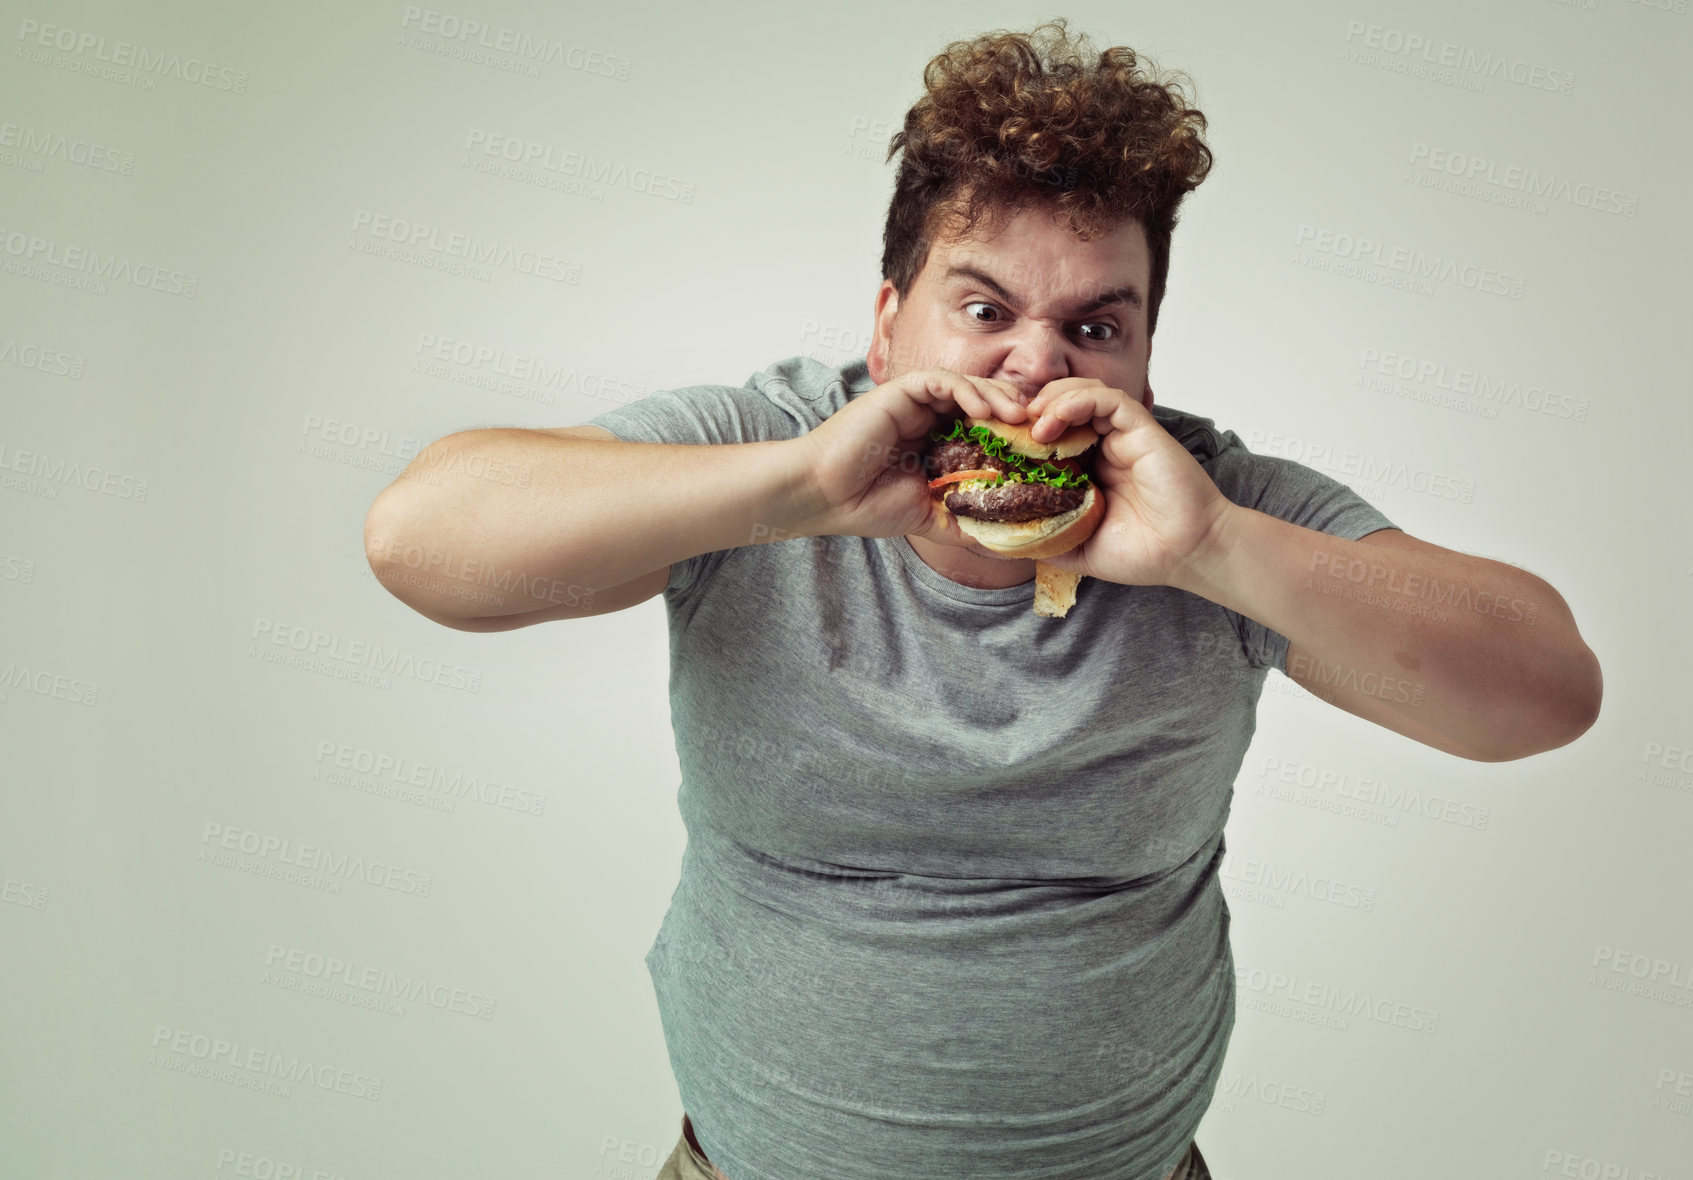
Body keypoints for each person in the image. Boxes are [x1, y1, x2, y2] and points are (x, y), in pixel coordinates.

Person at [363, 20, 1602, 1180]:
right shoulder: (767, 447)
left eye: (1096, 324)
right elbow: (420, 542)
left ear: (1147, 352)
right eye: (983, 309)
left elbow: (1542, 694)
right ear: (888, 325)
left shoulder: (1211, 505)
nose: (1035, 362)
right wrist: (794, 489)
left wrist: (1213, 546)